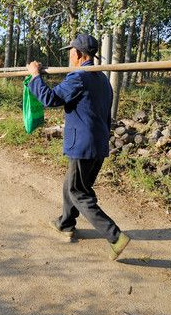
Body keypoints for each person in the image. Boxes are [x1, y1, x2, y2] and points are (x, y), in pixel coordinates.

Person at [26, 34, 131, 260]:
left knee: (78, 192)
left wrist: (35, 76)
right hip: (98, 145)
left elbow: (50, 99)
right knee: (72, 185)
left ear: (80, 54)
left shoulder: (79, 77)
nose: (68, 55)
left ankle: (115, 236)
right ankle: (66, 222)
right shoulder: (102, 79)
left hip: (82, 145)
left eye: (71, 51)